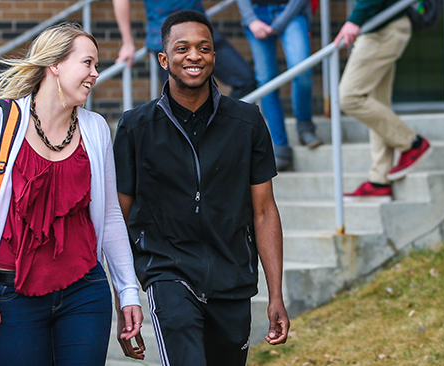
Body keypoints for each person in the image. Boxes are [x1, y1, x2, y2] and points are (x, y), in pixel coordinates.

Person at [0, 23, 143, 365]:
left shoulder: (95, 128)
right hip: (11, 294)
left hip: (85, 290)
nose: (95, 73)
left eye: (96, 65)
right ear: (54, 65)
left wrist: (127, 290)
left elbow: (111, 214)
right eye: (88, 63)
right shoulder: (0, 120)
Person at [113, 10, 290, 365]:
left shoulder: (247, 122)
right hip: (168, 273)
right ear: (164, 59)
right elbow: (118, 216)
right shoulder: (136, 127)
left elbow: (265, 210)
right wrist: (125, 300)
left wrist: (275, 295)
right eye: (182, 48)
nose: (194, 56)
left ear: (214, 56)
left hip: (232, 277)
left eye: (204, 48)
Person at [335, 0, 432, 202]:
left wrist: (354, 20)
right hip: (380, 26)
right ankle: (379, 179)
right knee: (377, 101)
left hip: (382, 30)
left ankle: (412, 142)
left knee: (350, 97)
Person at [237, 0, 322, 171]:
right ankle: (280, 146)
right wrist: (251, 19)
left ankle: (305, 126)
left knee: (302, 71)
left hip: (292, 12)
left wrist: (280, 22)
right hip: (256, 15)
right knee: (266, 82)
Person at [113, 0, 257, 100]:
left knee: (246, 79)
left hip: (201, 31)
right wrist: (127, 42)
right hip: (168, 38)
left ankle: (219, 128)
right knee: (179, 100)